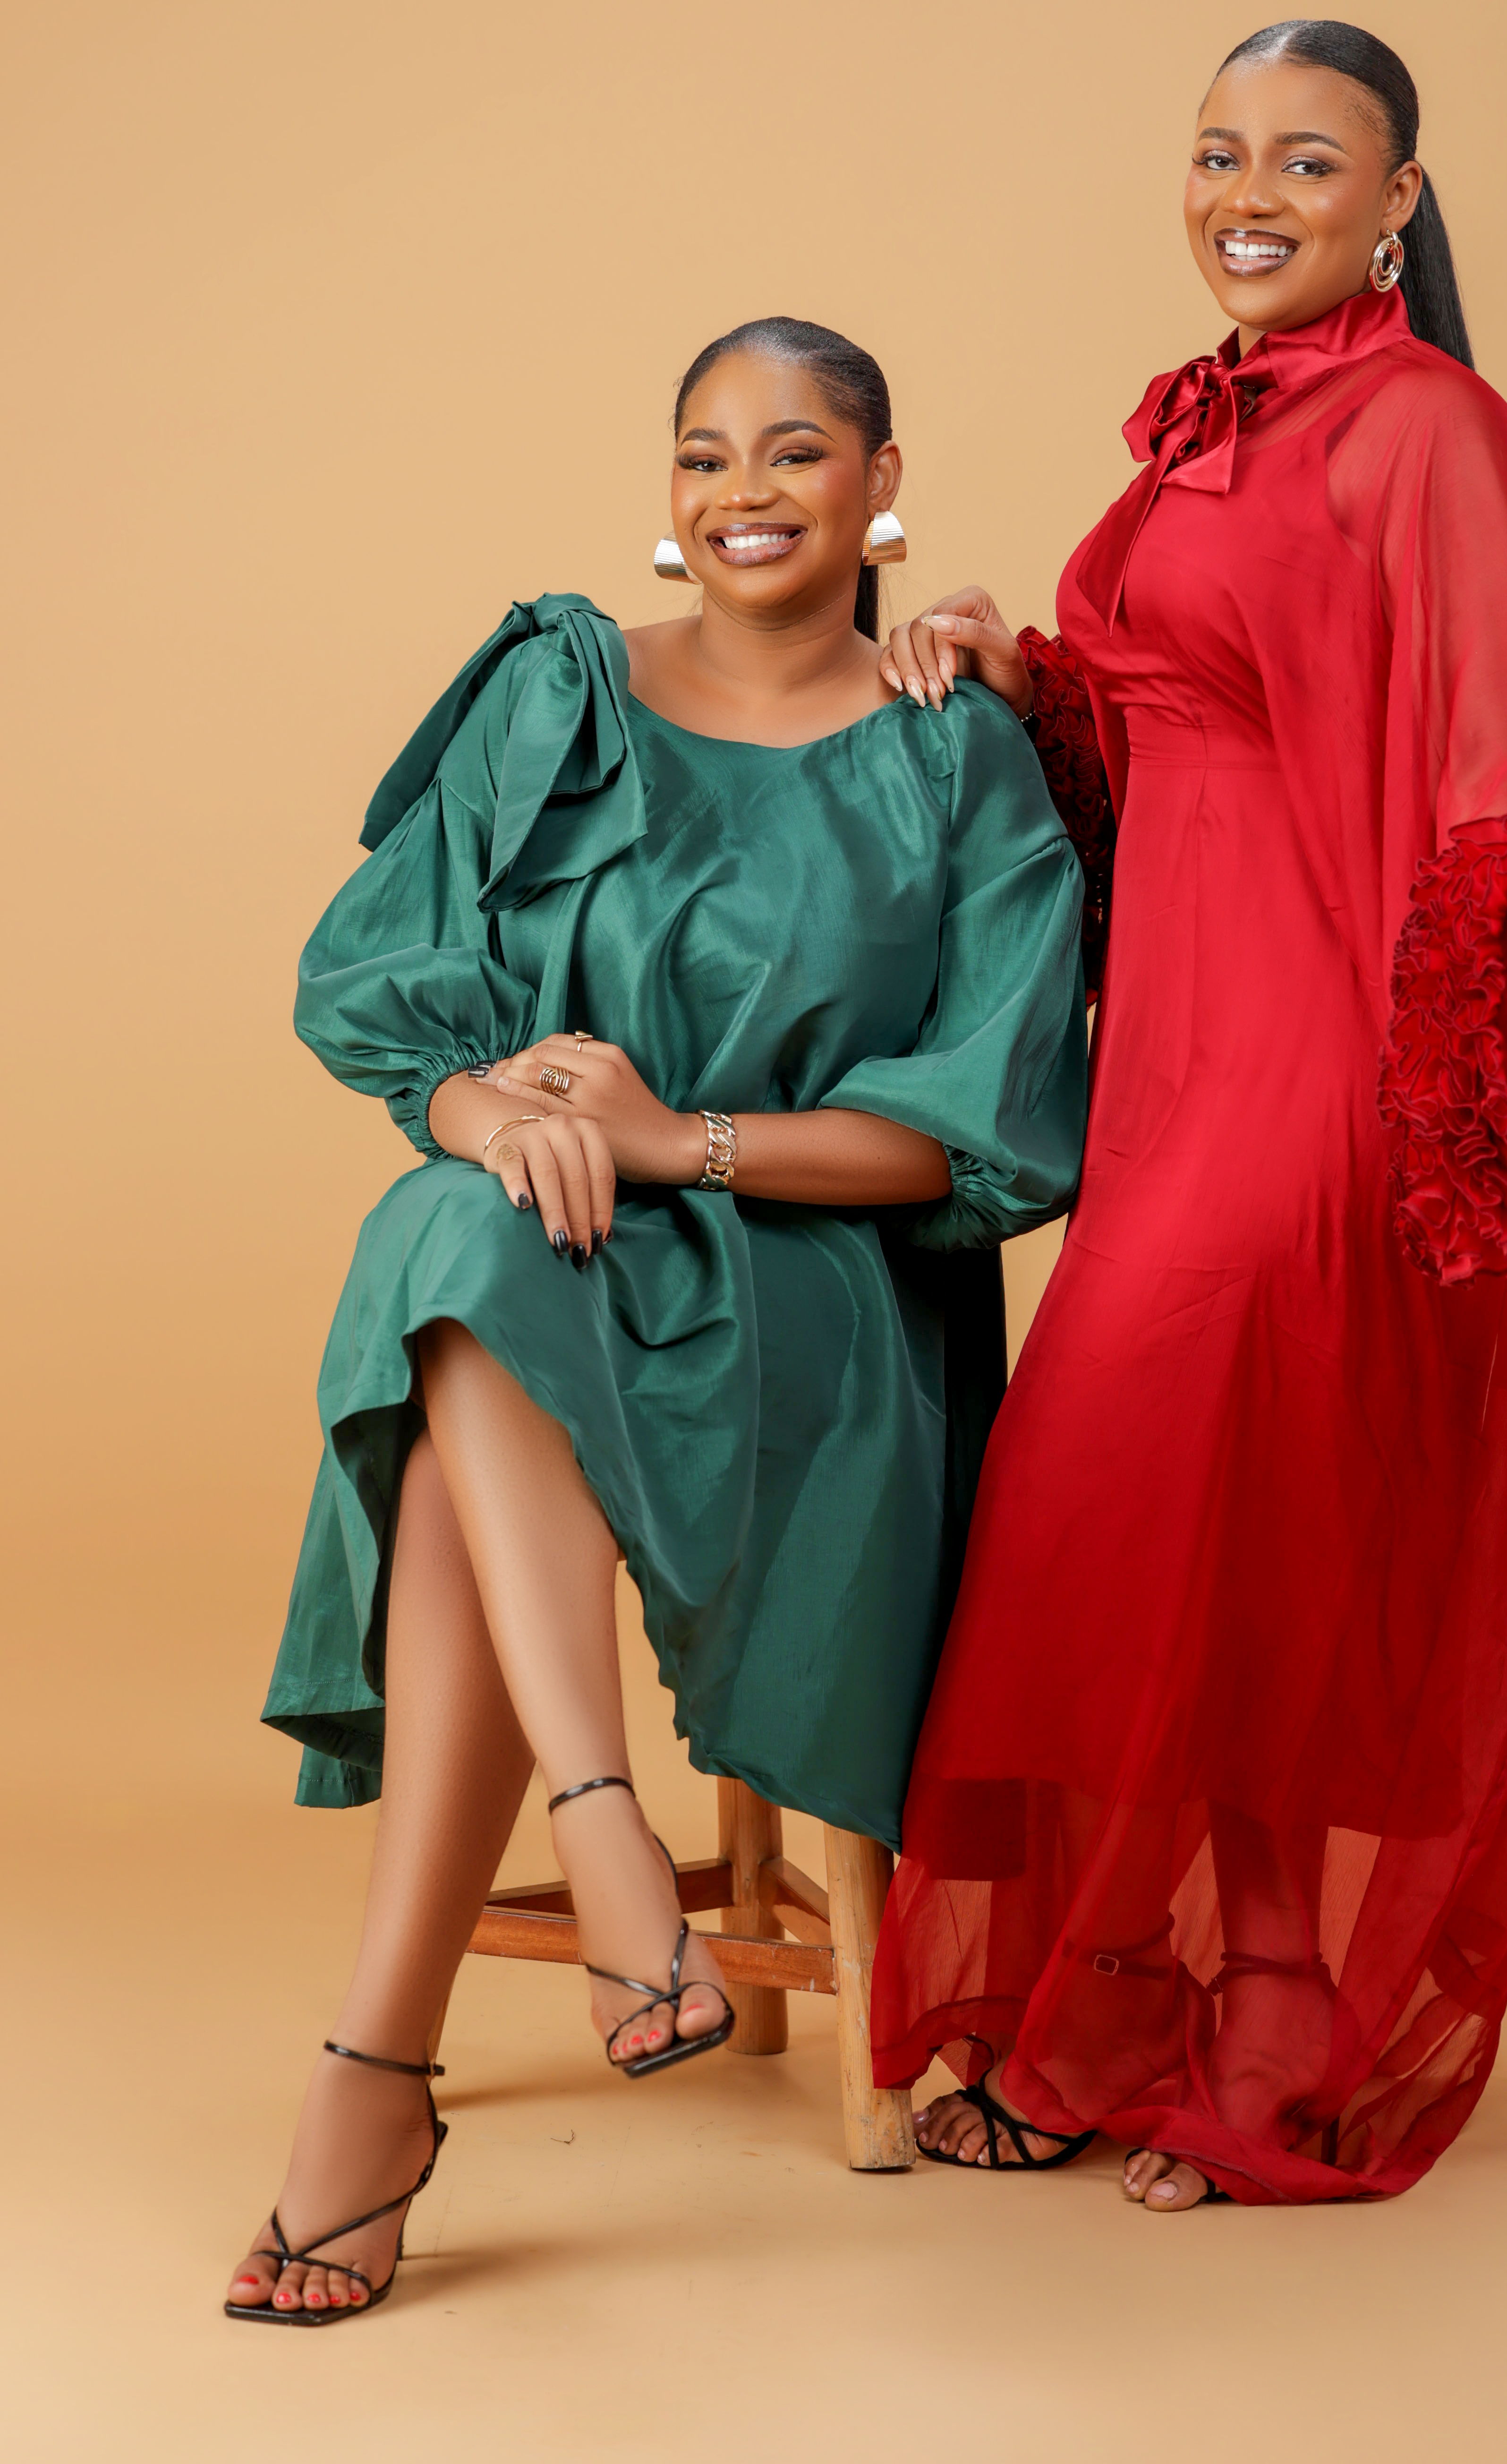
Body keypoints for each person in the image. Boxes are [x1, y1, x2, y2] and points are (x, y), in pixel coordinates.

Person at [868, 21, 1507, 2209]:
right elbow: (1158, 748)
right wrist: (1012, 662)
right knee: (1200, 1537)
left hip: (1313, 1066)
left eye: (1305, 159)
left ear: (1396, 199)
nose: (1250, 189)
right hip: (1170, 1060)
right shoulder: (1205, 432)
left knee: (1167, 1500)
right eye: (1217, 151)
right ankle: (1190, 2001)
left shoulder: (1433, 432)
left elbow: (1504, 762)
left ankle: (1254, 2024)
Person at [226, 317, 1087, 2321]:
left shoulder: (951, 746)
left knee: (448, 1320)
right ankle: (596, 1843)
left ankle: (384, 2065)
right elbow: (386, 976)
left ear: (883, 484)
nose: (743, 494)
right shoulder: (565, 687)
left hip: (821, 1287)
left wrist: (668, 1134)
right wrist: (485, 1106)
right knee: (451, 1236)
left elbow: (995, 1131)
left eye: (796, 454)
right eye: (705, 456)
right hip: (547, 1231)